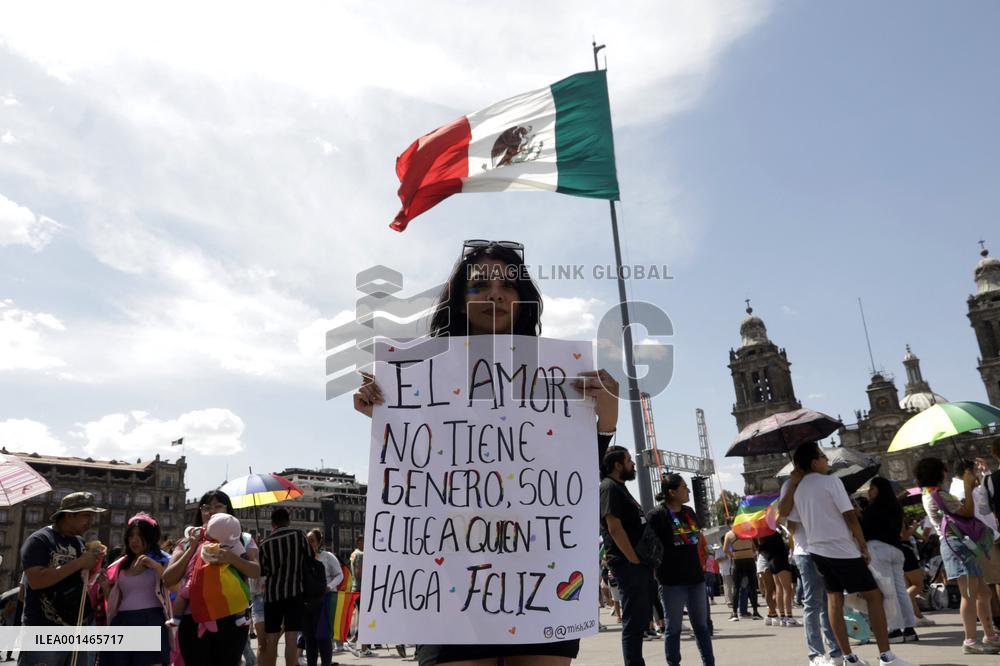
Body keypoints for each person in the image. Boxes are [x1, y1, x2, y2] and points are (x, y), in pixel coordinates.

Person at [353, 239, 619, 666]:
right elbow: (416, 473)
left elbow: (569, 485)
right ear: (459, 301)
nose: (495, 293)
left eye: (508, 284)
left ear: (522, 299)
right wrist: (387, 416)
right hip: (446, 584)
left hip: (538, 577)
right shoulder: (418, 377)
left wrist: (606, 420)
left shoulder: (559, 375)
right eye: (480, 285)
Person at [785, 442, 916, 666]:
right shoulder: (831, 481)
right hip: (841, 548)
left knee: (834, 598)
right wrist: (862, 545)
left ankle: (848, 657)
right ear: (814, 461)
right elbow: (850, 516)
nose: (827, 460)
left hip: (816, 549)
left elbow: (790, 523)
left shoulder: (798, 489)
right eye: (823, 456)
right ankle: (886, 656)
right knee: (874, 596)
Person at [162, 490, 260, 666]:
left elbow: (255, 571)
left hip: (231, 618)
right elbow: (168, 579)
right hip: (193, 618)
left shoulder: (242, 539)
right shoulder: (186, 541)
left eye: (218, 506)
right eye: (206, 507)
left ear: (228, 511)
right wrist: (192, 548)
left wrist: (231, 558)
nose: (211, 511)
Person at [917, 456, 999, 655]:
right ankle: (970, 640)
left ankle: (990, 635)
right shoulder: (938, 494)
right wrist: (970, 488)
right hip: (957, 545)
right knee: (970, 593)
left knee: (983, 592)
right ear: (940, 472)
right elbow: (968, 512)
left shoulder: (932, 493)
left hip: (961, 544)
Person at [19, 492, 107, 666]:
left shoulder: (80, 543)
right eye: (87, 516)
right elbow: (36, 580)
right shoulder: (39, 540)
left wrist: (94, 565)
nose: (91, 522)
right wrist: (79, 562)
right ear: (69, 514)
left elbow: (80, 582)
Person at [647, 474, 715, 666]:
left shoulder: (689, 512)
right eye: (684, 487)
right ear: (672, 492)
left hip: (695, 579)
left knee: (702, 627)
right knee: (673, 629)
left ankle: (709, 663)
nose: (688, 491)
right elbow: (649, 546)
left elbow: (696, 541)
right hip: (671, 581)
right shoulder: (656, 515)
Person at [779, 470, 841, 666]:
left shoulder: (824, 482)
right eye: (821, 456)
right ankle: (815, 654)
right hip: (805, 550)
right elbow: (788, 520)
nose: (826, 461)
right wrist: (795, 486)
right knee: (813, 602)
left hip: (827, 548)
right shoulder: (790, 485)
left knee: (828, 602)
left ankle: (835, 650)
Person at [97, 513, 172, 666]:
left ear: (151, 537)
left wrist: (156, 567)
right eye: (131, 536)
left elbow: (177, 586)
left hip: (150, 620)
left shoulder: (164, 560)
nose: (134, 540)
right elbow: (117, 599)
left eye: (140, 536)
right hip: (121, 621)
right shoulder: (121, 564)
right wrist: (106, 588)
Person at [601, 447, 652, 666]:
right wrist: (632, 559)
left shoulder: (621, 488)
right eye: (629, 460)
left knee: (639, 619)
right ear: (617, 465)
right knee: (632, 621)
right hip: (627, 563)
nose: (632, 464)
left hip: (637, 563)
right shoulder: (609, 487)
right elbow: (614, 528)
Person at [861, 477, 918, 644]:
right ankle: (909, 628)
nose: (869, 492)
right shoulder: (896, 507)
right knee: (901, 590)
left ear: (878, 489)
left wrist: (860, 515)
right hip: (896, 549)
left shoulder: (872, 509)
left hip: (878, 549)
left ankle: (894, 629)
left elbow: (864, 531)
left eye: (871, 488)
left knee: (887, 591)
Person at [258, 507, 311, 666]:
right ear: (288, 520)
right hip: (295, 592)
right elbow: (310, 558)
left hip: (272, 595)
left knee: (272, 639)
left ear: (272, 523)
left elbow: (263, 570)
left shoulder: (265, 543)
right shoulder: (298, 535)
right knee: (291, 638)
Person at [304, 528, 344, 666]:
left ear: (319, 542)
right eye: (307, 541)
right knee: (310, 638)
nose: (310, 544)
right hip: (308, 602)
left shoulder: (327, 557)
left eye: (312, 541)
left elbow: (339, 575)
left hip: (324, 600)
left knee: (324, 636)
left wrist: (329, 586)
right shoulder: (303, 558)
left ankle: (326, 662)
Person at [757, 529, 798, 627]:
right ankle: (788, 616)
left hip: (772, 562)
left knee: (779, 589)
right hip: (780, 561)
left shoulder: (764, 538)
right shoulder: (775, 534)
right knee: (787, 589)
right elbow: (785, 546)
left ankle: (783, 617)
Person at [722, 524, 759, 621]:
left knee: (736, 588)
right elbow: (755, 548)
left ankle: (734, 613)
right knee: (752, 586)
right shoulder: (748, 533)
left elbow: (725, 549)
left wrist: (733, 555)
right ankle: (755, 612)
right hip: (749, 560)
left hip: (738, 561)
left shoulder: (729, 534)